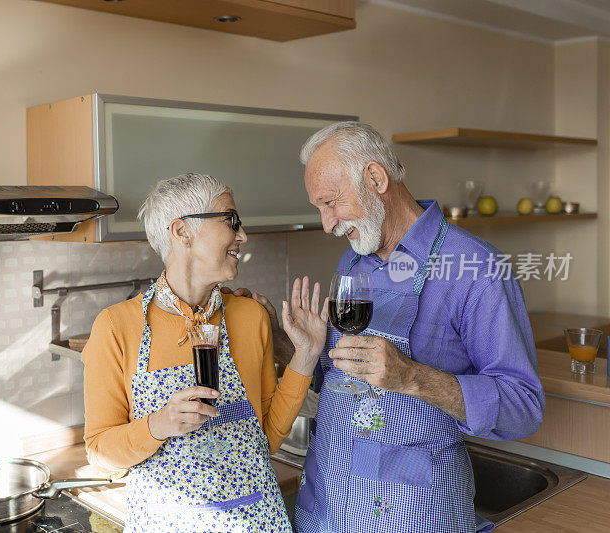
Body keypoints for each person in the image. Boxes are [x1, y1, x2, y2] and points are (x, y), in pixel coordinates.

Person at [232, 122, 545, 533]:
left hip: (411, 512)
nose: (327, 224)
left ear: (376, 178)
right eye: (319, 207)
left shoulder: (476, 268)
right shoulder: (353, 262)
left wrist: (413, 377)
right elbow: (342, 380)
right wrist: (287, 345)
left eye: (331, 202)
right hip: (326, 506)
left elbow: (524, 407)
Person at [80, 173, 327, 532]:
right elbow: (100, 455)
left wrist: (305, 355)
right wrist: (158, 425)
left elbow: (267, 438)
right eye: (230, 221)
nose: (242, 235)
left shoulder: (249, 316)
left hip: (253, 521)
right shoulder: (117, 327)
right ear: (182, 232)